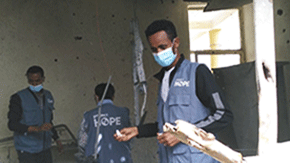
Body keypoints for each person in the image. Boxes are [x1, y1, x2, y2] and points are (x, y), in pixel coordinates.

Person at [114, 19, 233, 163]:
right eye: (154, 49)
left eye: (162, 47)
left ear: (175, 43)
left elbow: (223, 114)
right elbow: (166, 126)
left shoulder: (197, 72)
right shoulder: (163, 79)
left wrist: (184, 135)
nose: (158, 53)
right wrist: (138, 131)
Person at [8, 65, 63, 163]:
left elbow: (49, 121)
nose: (34, 84)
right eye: (31, 81)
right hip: (27, 150)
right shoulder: (18, 98)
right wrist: (36, 129)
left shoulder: (48, 96)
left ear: (43, 79)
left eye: (37, 81)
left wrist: (57, 139)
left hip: (45, 148)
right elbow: (12, 125)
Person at [76, 83, 132, 163]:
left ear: (96, 97)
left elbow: (82, 141)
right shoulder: (124, 113)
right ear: (113, 97)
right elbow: (131, 138)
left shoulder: (88, 116)